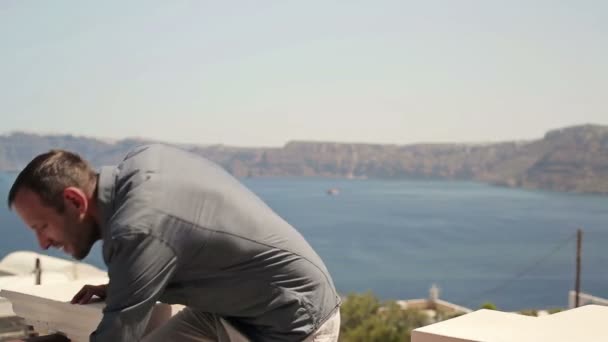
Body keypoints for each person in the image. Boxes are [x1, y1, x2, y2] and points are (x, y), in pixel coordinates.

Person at [7, 144, 341, 342]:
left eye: (43, 226)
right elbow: (175, 244)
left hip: (293, 324)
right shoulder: (141, 163)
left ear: (75, 201)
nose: (43, 243)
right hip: (231, 311)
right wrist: (122, 287)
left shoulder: (136, 227)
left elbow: (117, 334)